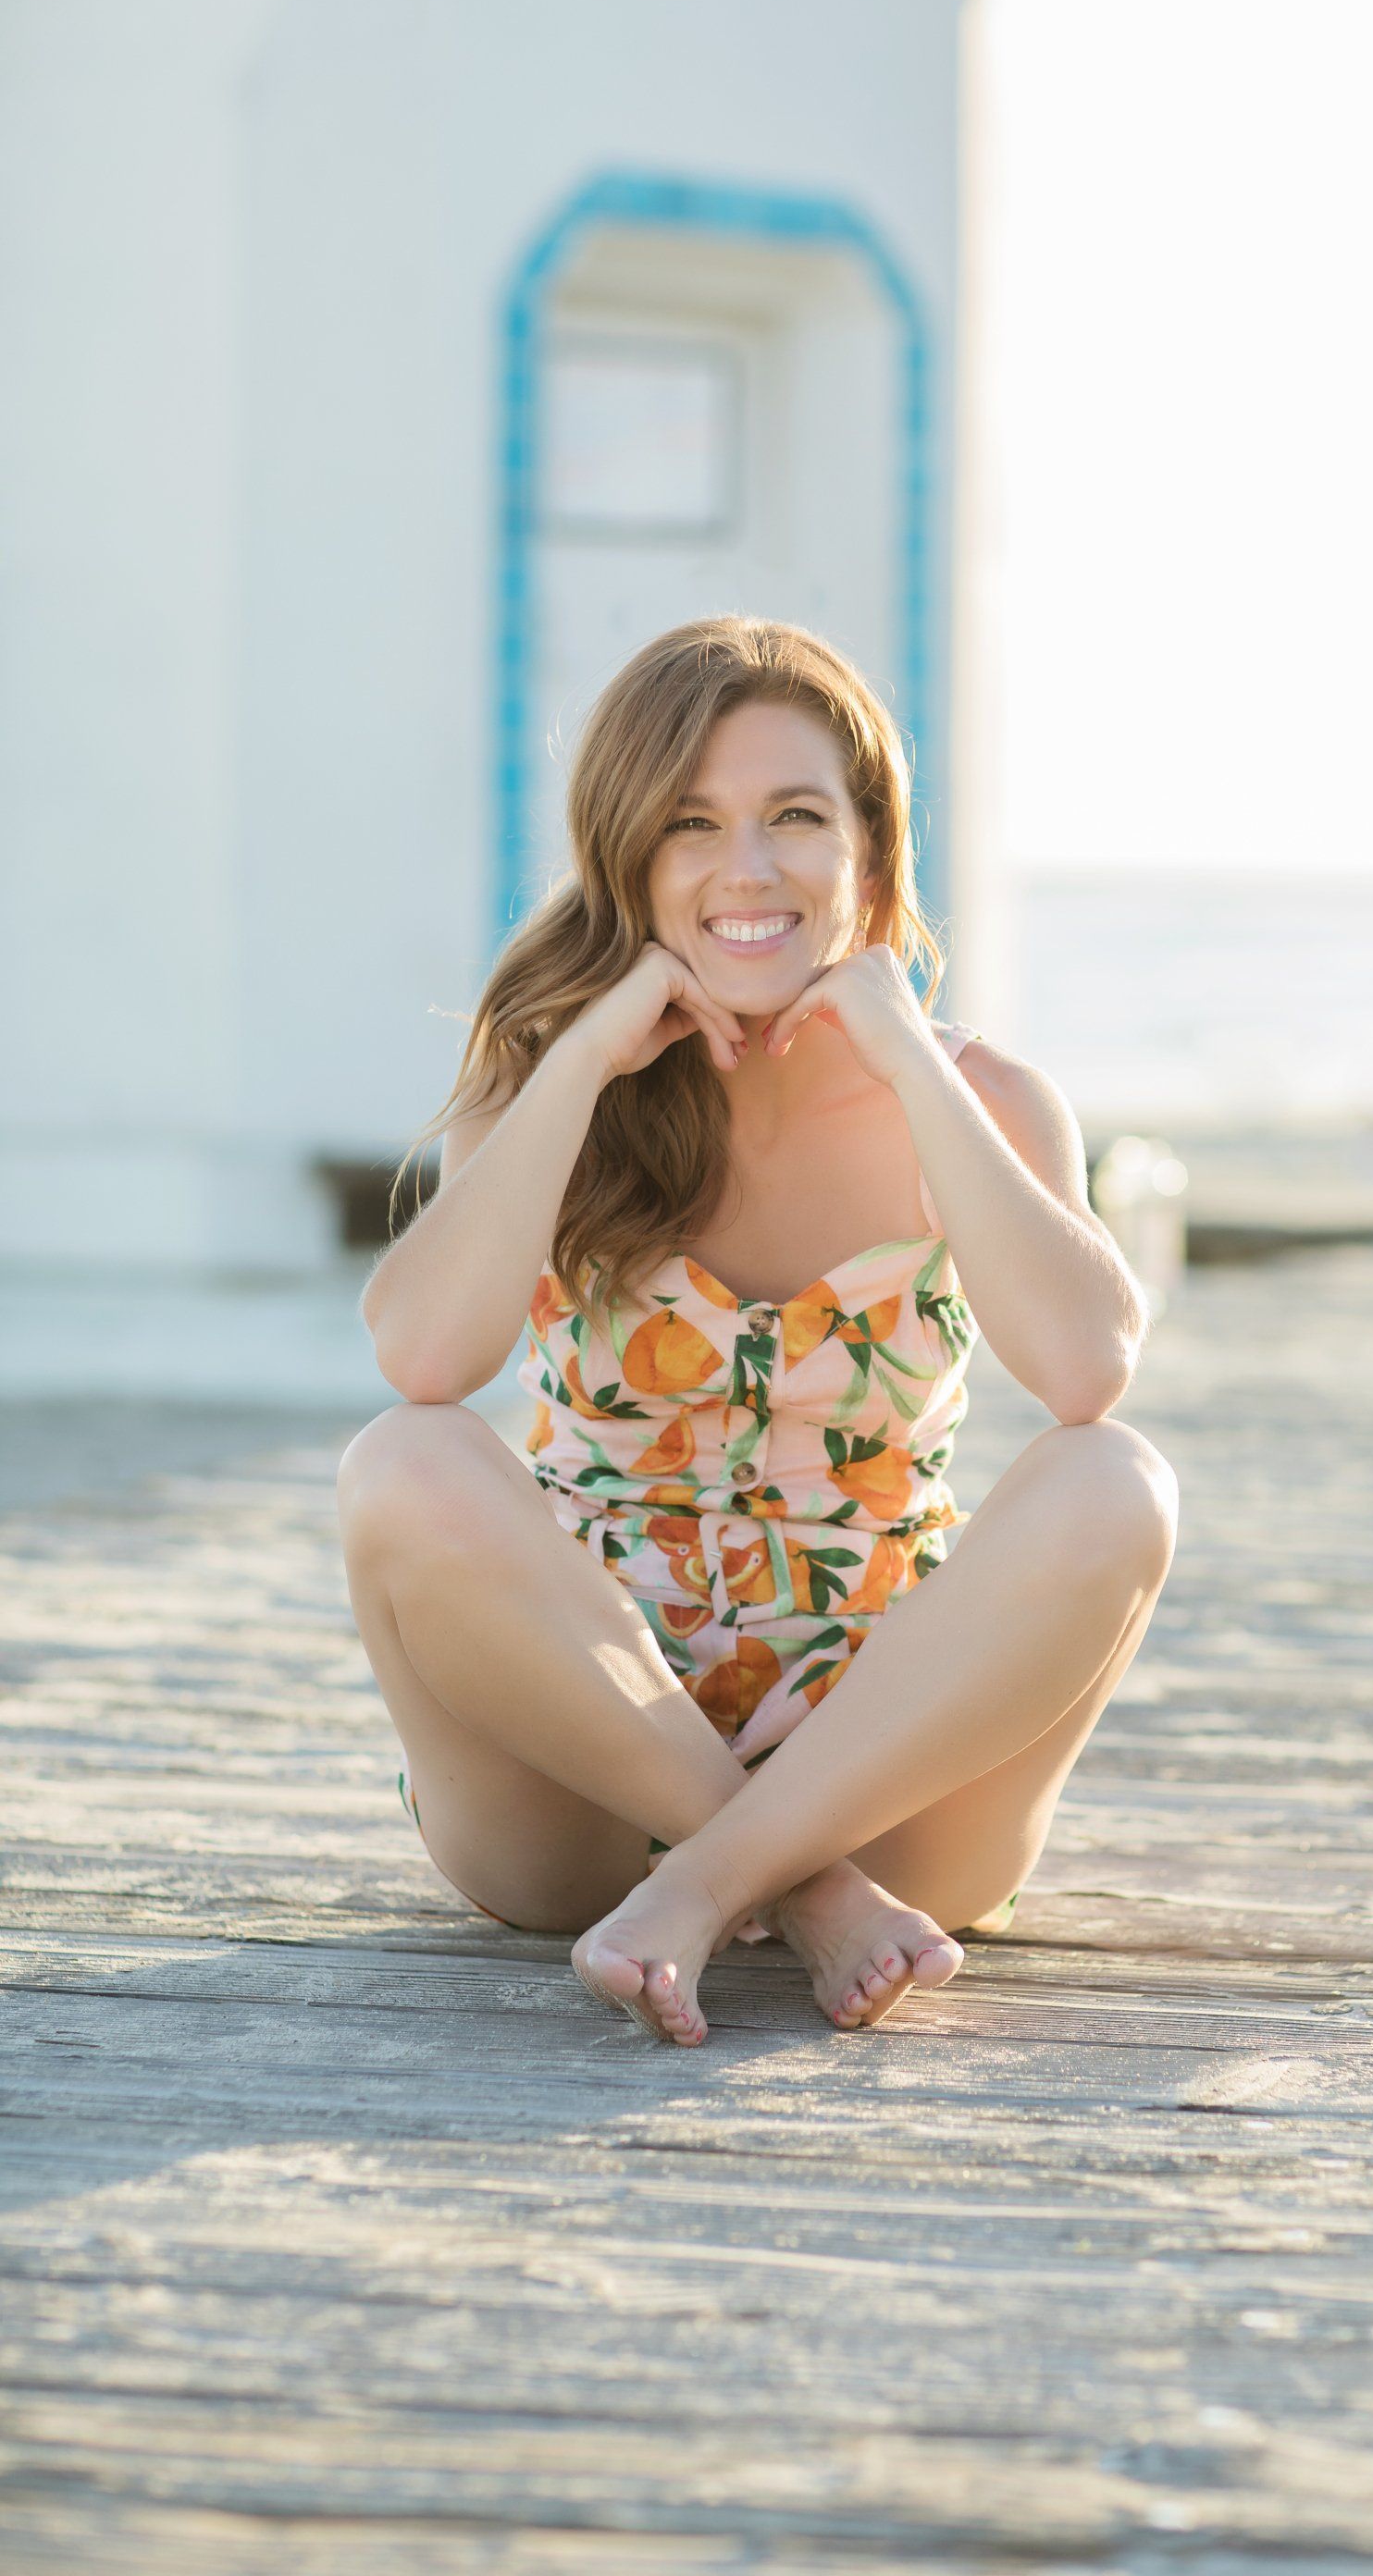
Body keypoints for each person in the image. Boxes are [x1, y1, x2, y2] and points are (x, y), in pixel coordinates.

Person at [338, 615, 1178, 2047]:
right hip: (576, 1787)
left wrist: (906, 1052)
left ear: (871, 846)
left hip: (889, 1774)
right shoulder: (554, 1077)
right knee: (400, 1464)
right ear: (628, 858)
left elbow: (1090, 1374)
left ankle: (743, 1872)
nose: (747, 868)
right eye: (690, 824)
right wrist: (589, 1055)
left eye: (796, 815)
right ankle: (802, 1890)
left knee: (1119, 1482)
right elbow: (422, 1363)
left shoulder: (981, 1099)